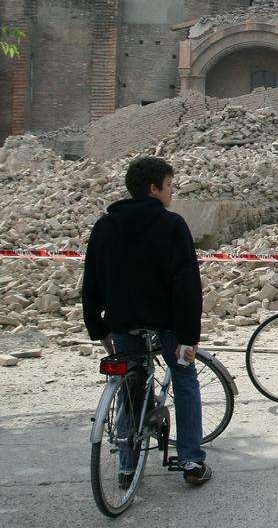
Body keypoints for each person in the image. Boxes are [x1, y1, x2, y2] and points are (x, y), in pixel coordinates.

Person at [82, 156, 211, 486]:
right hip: (167, 324)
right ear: (154, 189)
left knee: (130, 389)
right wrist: (189, 336)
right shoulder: (172, 225)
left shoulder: (104, 226)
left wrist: (99, 328)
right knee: (184, 380)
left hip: (123, 324)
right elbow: (186, 286)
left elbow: (92, 281)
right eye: (169, 186)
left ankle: (126, 466)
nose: (172, 193)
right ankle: (192, 461)